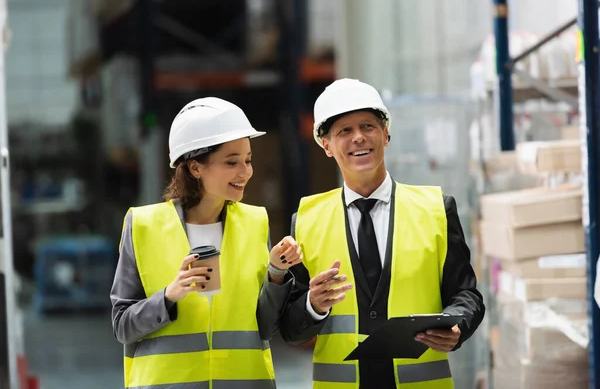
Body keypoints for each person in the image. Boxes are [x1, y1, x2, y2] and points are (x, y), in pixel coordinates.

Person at [278, 79, 485, 388]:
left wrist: (457, 327)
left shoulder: (436, 209)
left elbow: (466, 294)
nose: (359, 138)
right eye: (344, 131)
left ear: (386, 134)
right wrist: (313, 304)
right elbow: (292, 330)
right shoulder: (307, 221)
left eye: (368, 126)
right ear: (326, 146)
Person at [110, 97, 301, 389]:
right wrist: (169, 296)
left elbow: (265, 326)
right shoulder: (143, 226)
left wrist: (276, 272)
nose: (246, 171)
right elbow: (123, 326)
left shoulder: (255, 223)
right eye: (231, 162)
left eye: (248, 160)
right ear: (195, 168)